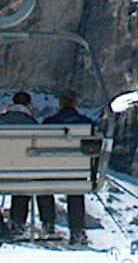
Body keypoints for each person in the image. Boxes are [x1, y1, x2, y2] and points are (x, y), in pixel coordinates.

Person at [0, 92, 56, 237]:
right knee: (28, 178)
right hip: (23, 174)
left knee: (19, 178)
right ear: (29, 105)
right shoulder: (33, 125)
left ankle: (16, 223)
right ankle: (46, 225)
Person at [45, 89, 92, 245]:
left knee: (43, 187)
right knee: (76, 191)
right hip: (77, 172)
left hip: (51, 171)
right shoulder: (86, 123)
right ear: (76, 102)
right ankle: (76, 232)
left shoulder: (48, 122)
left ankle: (48, 224)